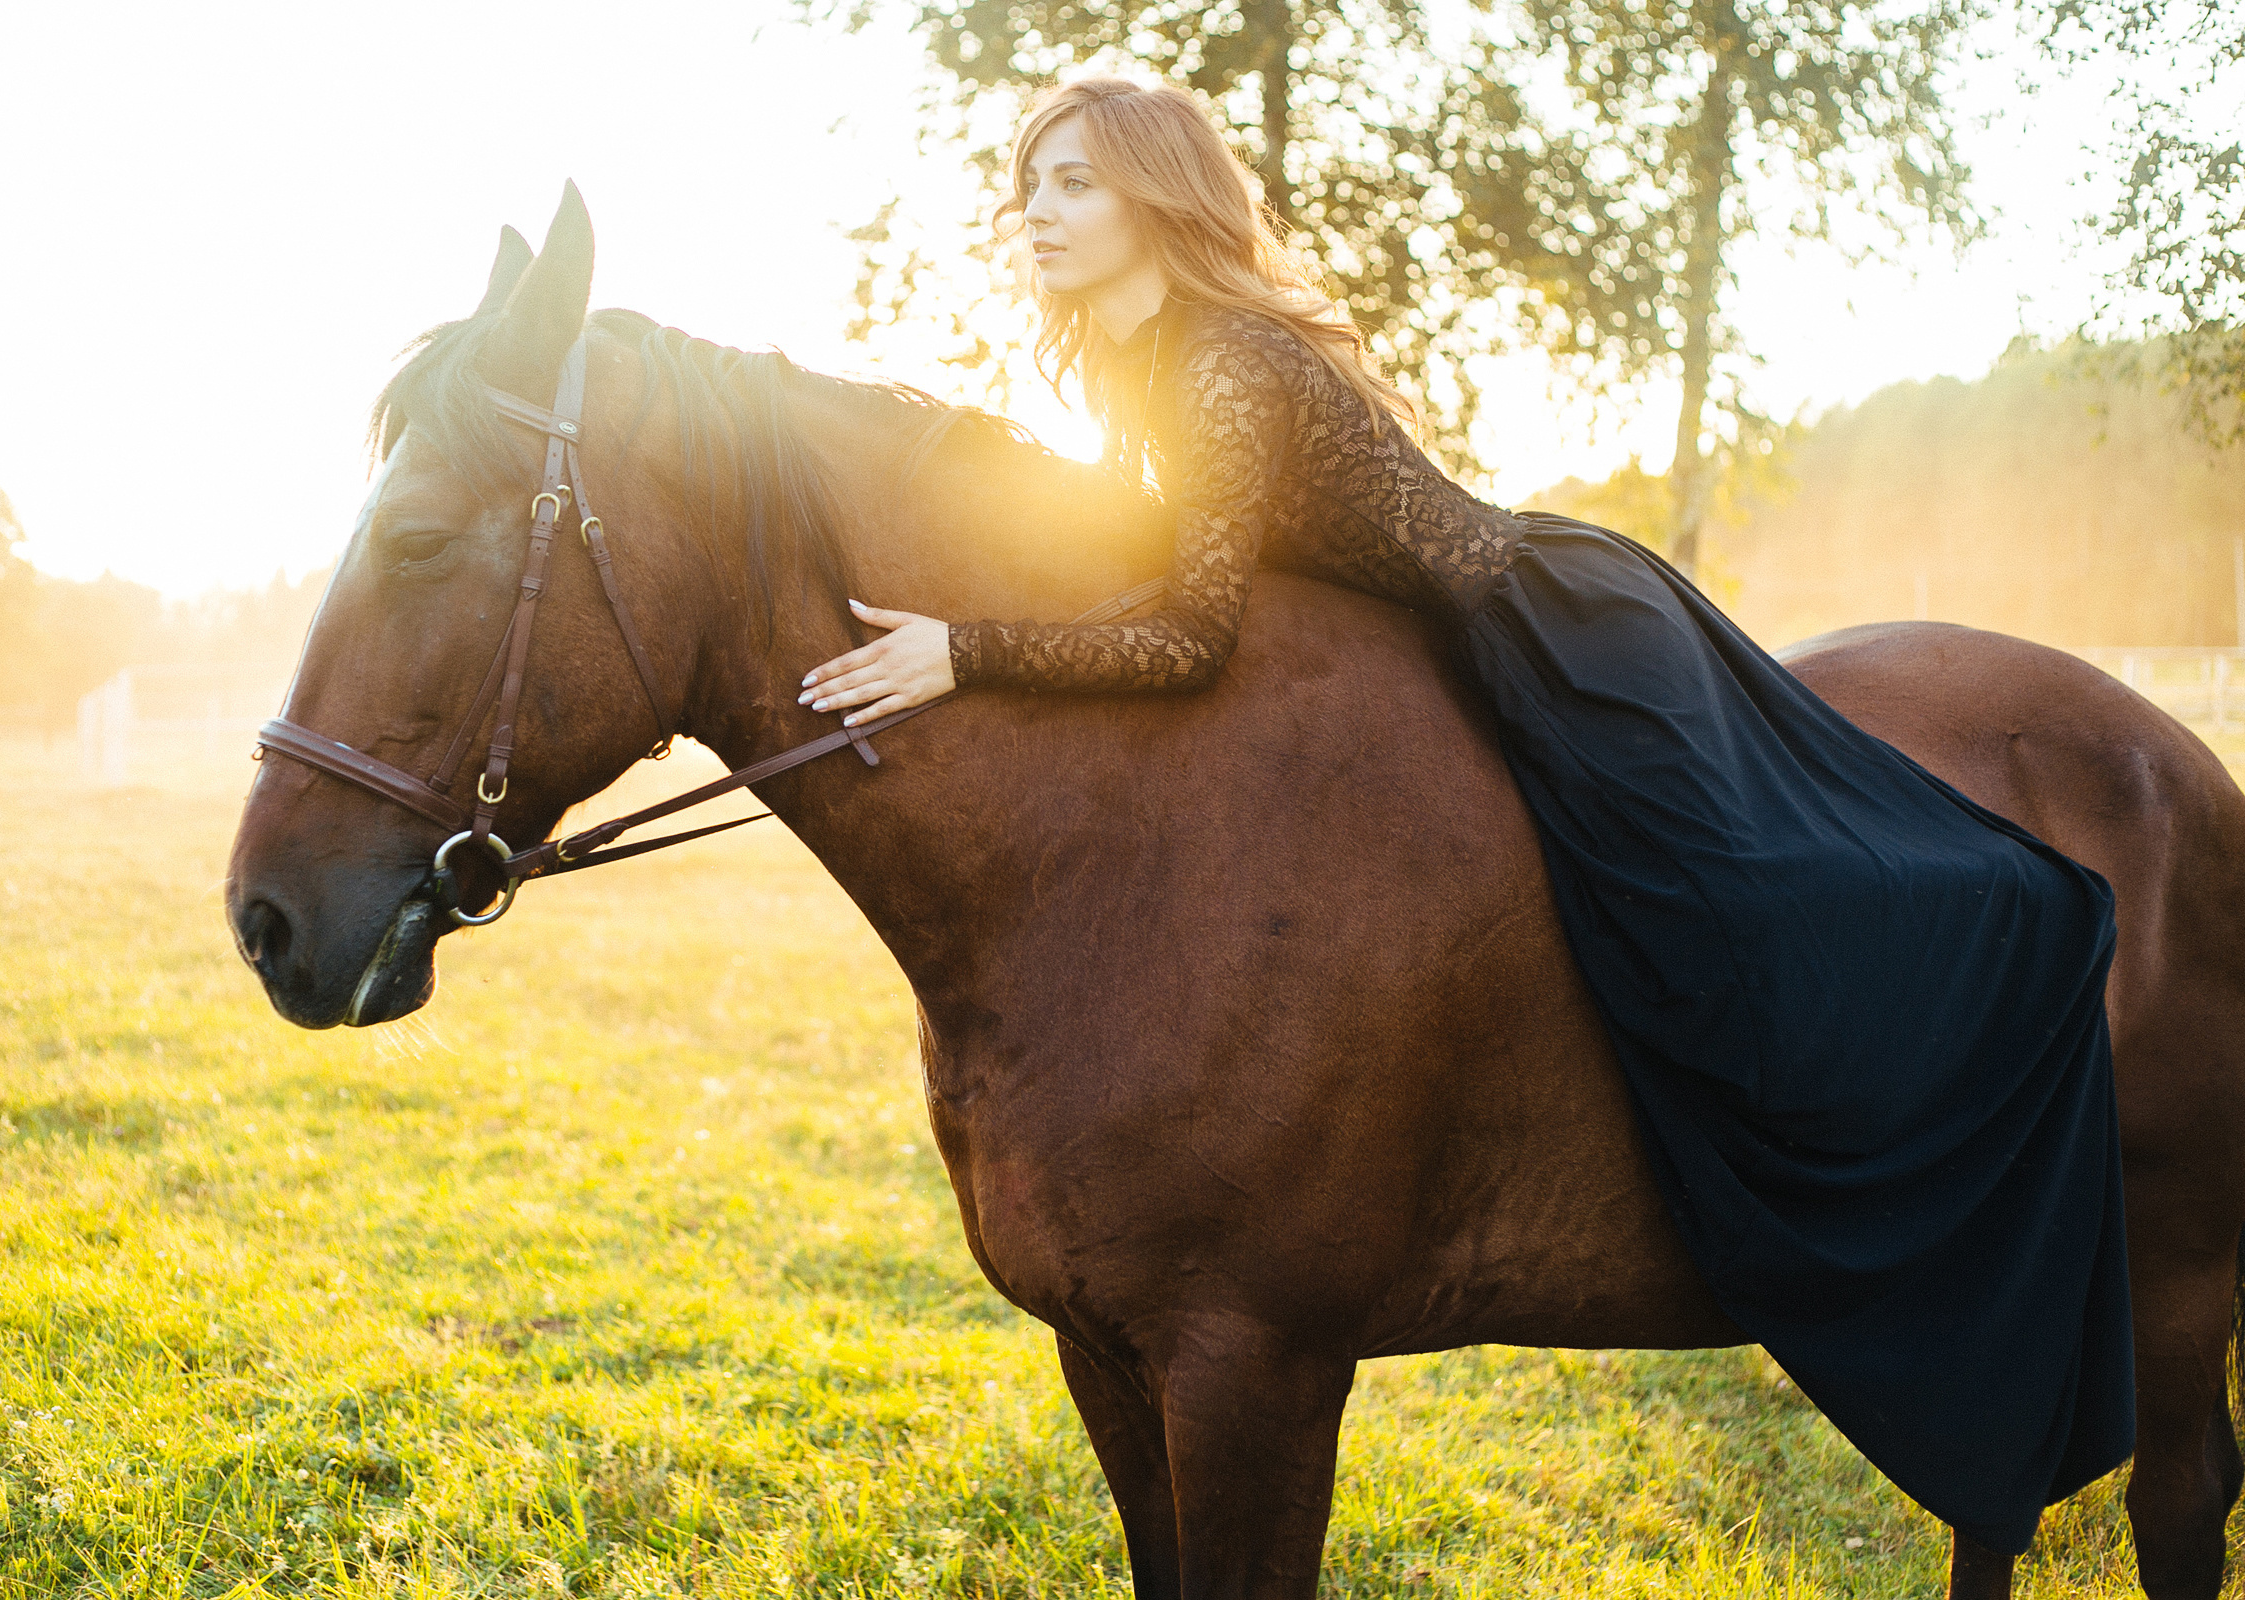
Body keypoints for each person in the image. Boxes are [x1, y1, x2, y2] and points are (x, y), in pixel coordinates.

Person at [797, 76, 2132, 1554]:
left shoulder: (1220, 364)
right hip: (1457, 651)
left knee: (1728, 908)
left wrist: (958, 651)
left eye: (1074, 185)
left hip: (1557, 641)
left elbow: (1189, 634)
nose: (1034, 213)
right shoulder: (1141, 365)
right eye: (1028, 184)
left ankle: (2011, 939)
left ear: (1157, 199)